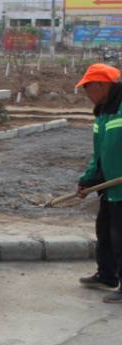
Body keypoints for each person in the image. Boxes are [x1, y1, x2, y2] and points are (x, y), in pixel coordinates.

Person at [75, 63, 122, 303]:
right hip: (110, 188)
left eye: (88, 88)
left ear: (102, 86)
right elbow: (100, 153)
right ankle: (107, 275)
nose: (86, 94)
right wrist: (89, 179)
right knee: (105, 232)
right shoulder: (103, 113)